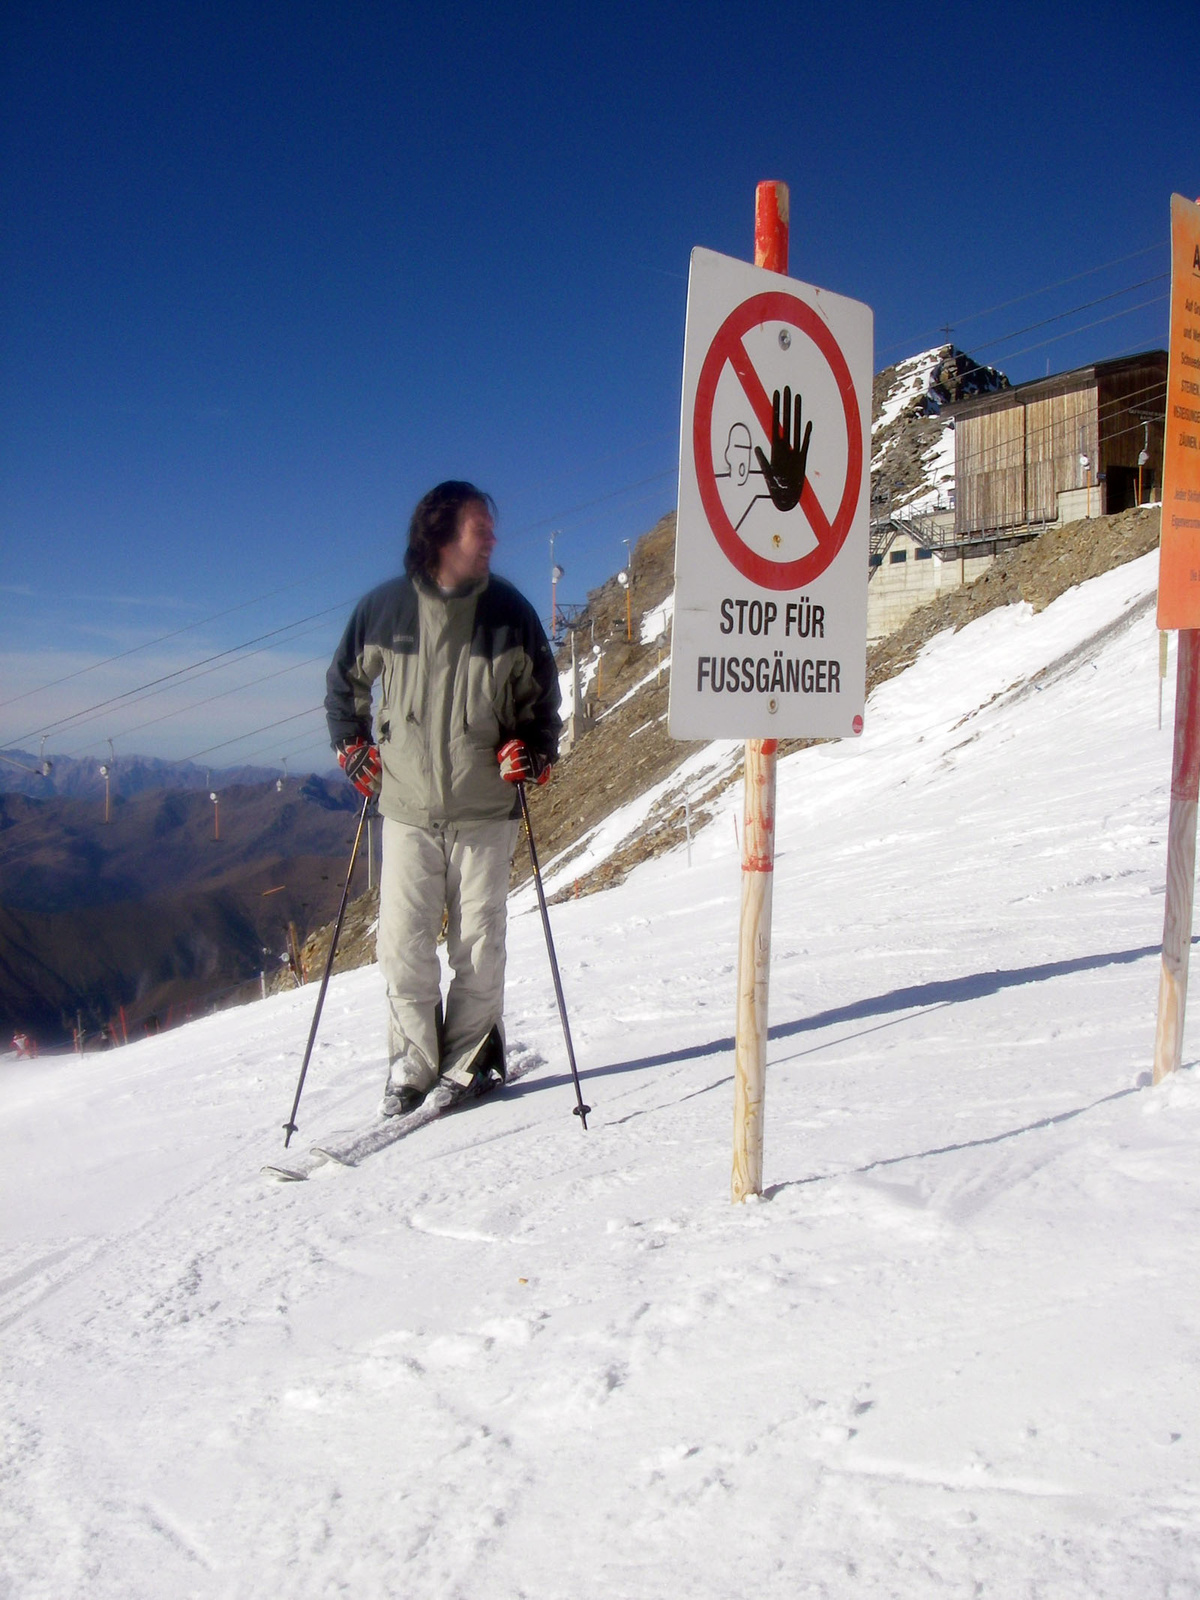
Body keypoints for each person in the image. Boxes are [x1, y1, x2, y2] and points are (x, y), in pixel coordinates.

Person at [325, 481, 561, 1116]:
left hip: (486, 809)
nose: (492, 540)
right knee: (402, 943)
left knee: (479, 945)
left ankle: (473, 1057)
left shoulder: (511, 614)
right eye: (478, 529)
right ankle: (412, 1064)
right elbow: (344, 684)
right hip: (405, 808)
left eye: (489, 529)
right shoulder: (384, 611)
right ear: (439, 537)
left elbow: (542, 703)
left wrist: (533, 751)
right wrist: (351, 745)